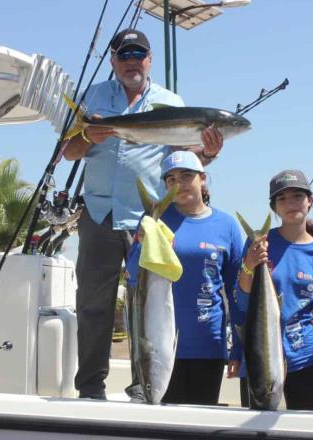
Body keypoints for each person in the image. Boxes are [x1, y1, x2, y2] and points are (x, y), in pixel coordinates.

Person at [62, 28, 224, 400]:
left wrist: (209, 154)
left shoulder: (169, 101)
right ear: (113, 60)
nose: (132, 60)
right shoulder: (93, 96)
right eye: (124, 54)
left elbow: (184, 158)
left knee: (149, 304)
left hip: (148, 221)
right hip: (99, 214)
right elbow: (68, 152)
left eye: (139, 53)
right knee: (92, 305)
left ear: (150, 59)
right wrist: (90, 136)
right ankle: (90, 389)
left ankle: (145, 386)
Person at [125, 151, 243, 405]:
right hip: (159, 347)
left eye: (187, 176)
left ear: (203, 179)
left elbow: (236, 292)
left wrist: (239, 345)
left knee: (199, 424)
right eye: (171, 179)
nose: (178, 184)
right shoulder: (154, 222)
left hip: (209, 344)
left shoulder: (227, 226)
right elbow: (133, 277)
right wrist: (142, 243)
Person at [231, 170, 313, 411]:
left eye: (297, 196)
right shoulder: (258, 244)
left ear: (310, 200)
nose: (291, 203)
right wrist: (249, 266)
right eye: (282, 199)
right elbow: (241, 302)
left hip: (305, 359)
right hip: (259, 357)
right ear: (274, 208)